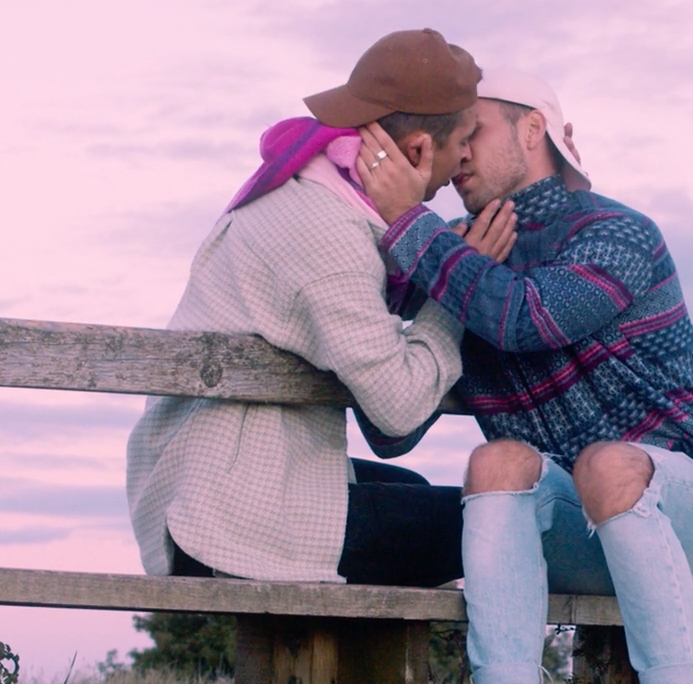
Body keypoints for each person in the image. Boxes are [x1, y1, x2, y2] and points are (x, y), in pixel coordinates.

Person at [354, 69, 693, 684]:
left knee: (606, 464)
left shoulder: (617, 233)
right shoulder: (457, 258)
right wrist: (438, 271)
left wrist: (412, 228)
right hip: (572, 536)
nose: (458, 148)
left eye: (473, 128)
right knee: (495, 461)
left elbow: (528, 317)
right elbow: (390, 427)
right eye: (449, 134)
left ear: (534, 130)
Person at [125, 29, 483, 590]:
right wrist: (455, 285)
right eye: (464, 139)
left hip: (205, 481)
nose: (467, 155)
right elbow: (400, 409)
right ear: (417, 150)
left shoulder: (310, 183)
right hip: (226, 518)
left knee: (412, 491)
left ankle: (346, 649)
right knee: (491, 520)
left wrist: (426, 243)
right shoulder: (328, 232)